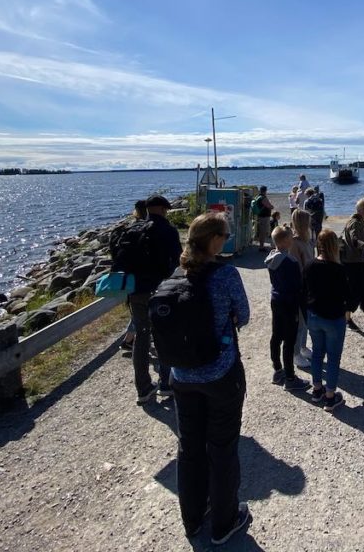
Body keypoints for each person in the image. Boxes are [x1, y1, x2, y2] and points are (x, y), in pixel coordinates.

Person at [169, 213, 252, 545]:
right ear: (214, 240)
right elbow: (243, 316)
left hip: (181, 375)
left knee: (189, 448)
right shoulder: (226, 274)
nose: (229, 239)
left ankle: (192, 518)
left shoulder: (176, 275)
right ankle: (224, 522)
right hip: (220, 373)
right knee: (222, 447)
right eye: (226, 234)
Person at [117, 195, 181, 404]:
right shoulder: (168, 231)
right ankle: (166, 383)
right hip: (161, 290)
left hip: (136, 291)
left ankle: (143, 388)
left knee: (142, 337)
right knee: (164, 335)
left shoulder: (134, 230)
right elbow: (178, 259)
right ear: (163, 209)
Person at [303, 229, 349, 411]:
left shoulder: (309, 265)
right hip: (333, 317)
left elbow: (303, 290)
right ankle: (330, 396)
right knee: (333, 357)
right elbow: (348, 294)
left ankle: (316, 389)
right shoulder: (339, 269)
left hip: (314, 315)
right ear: (333, 246)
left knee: (317, 353)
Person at [266, 227, 309, 391]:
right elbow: (298, 286)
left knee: (276, 335)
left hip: (276, 299)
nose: (292, 240)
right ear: (285, 241)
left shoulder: (270, 258)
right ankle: (290, 377)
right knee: (290, 340)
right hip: (289, 302)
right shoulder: (290, 262)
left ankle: (277, 370)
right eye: (290, 238)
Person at [120, 199, 149, 354]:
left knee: (138, 310)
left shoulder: (130, 227)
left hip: (130, 276)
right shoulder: (146, 227)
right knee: (142, 312)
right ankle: (130, 340)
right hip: (144, 277)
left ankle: (129, 339)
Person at [342, 198, 364, 330]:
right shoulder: (354, 223)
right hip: (351, 263)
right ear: (361, 209)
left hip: (358, 262)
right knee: (354, 292)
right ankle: (347, 319)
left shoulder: (360, 222)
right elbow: (355, 240)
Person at [289, 208, 315, 368]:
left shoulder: (307, 240)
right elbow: (296, 267)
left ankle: (303, 347)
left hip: (308, 286)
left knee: (306, 320)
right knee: (298, 322)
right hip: (299, 287)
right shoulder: (295, 242)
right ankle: (295, 353)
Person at [251, 186, 274, 253]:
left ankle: (261, 245)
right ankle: (261, 247)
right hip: (264, 217)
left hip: (260, 216)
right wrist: (270, 204)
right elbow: (270, 206)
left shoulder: (258, 197)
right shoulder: (263, 198)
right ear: (265, 191)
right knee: (263, 232)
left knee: (262, 231)